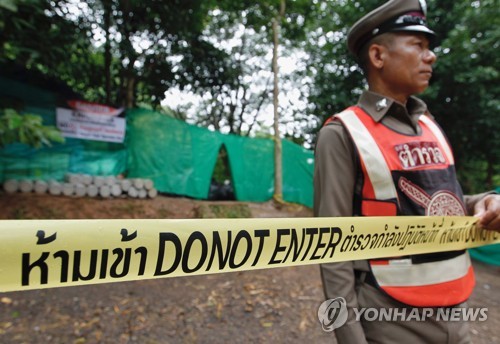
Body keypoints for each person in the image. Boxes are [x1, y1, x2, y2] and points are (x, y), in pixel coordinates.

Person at [313, 0, 500, 343]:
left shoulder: (430, 126)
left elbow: (446, 201)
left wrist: (484, 203)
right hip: (390, 324)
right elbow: (332, 250)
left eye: (429, 48)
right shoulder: (342, 134)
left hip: (458, 317)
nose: (431, 57)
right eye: (418, 45)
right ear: (378, 56)